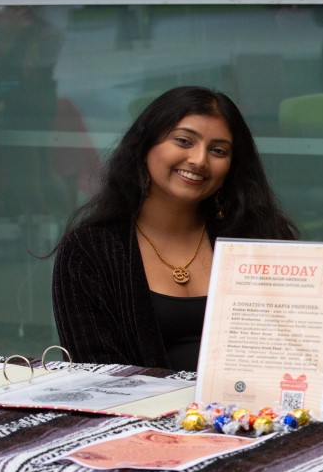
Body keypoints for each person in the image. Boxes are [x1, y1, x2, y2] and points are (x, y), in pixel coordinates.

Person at [52, 86, 298, 370]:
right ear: (145, 146)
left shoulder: (261, 240)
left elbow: (292, 356)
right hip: (135, 412)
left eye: (218, 150)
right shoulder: (88, 251)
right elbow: (96, 373)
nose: (199, 160)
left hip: (251, 412)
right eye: (183, 141)